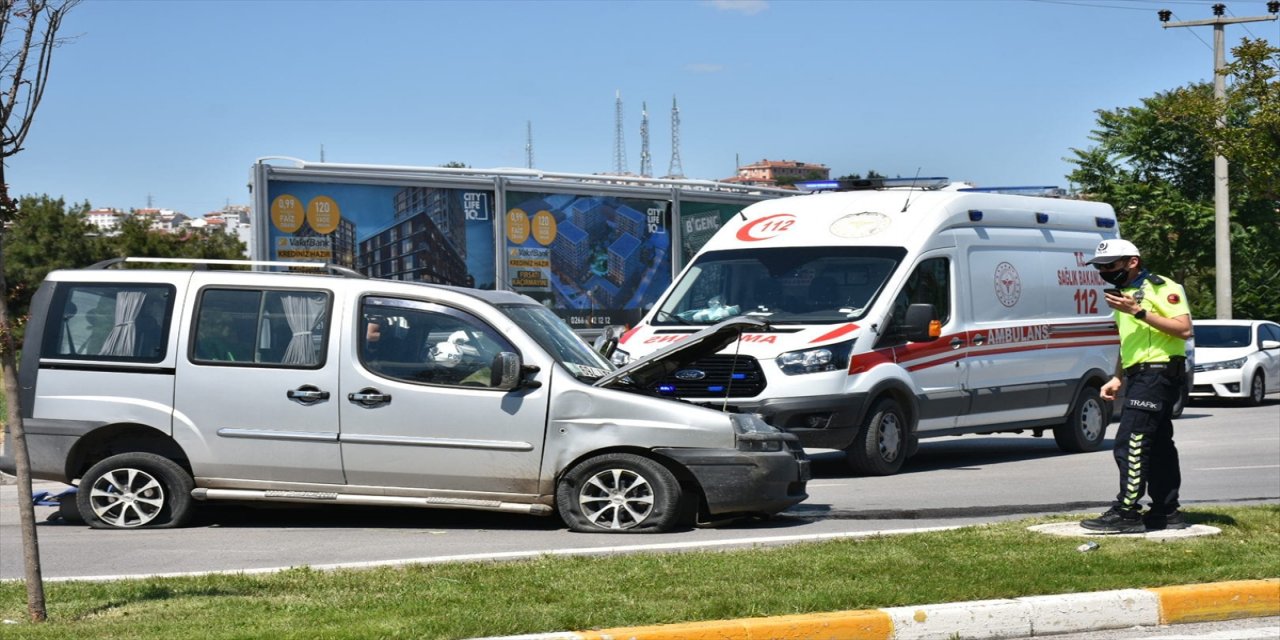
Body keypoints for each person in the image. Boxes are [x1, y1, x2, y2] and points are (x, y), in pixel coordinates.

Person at [1081, 239, 1193, 533]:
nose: (1104, 271)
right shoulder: (1124, 295)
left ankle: (1127, 512)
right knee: (1157, 446)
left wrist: (1140, 312)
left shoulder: (1161, 287)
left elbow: (1184, 329)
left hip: (1159, 374)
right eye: (1101, 267)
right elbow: (1128, 341)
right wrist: (1118, 376)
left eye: (1111, 265)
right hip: (1141, 375)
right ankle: (1167, 512)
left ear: (1132, 262)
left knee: (1130, 442)